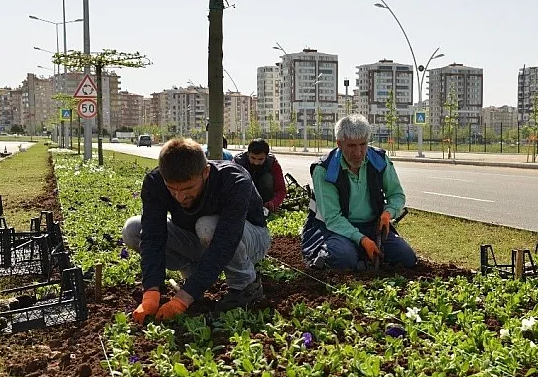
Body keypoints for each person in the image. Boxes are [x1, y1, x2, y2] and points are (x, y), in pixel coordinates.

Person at [122, 138, 271, 324]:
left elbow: (226, 240)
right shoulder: (155, 182)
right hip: (201, 240)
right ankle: (193, 275)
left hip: (249, 240)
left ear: (205, 172)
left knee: (207, 225)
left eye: (188, 188)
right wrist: (151, 292)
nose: (180, 197)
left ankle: (245, 286)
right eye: (172, 189)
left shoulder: (234, 180)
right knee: (133, 229)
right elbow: (153, 236)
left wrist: (184, 299)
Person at [301, 114, 417, 270]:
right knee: (344, 256)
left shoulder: (379, 160)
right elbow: (333, 218)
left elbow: (396, 195)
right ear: (339, 144)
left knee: (406, 257)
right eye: (351, 146)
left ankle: (361, 259)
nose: (358, 152)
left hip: (372, 226)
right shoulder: (324, 170)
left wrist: (388, 212)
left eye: (363, 144)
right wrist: (363, 240)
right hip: (335, 229)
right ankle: (334, 255)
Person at [233, 139, 287, 213]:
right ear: (248, 154)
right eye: (253, 158)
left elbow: (281, 189)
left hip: (264, 197)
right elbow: (231, 186)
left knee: (267, 179)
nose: (256, 163)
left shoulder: (272, 163)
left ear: (266, 156)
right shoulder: (238, 162)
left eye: (260, 159)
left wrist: (273, 203)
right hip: (244, 194)